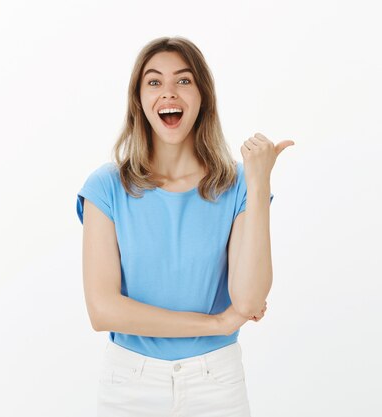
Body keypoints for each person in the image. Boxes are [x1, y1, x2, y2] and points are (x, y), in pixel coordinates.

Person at [75, 36, 294, 417]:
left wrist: (259, 186)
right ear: (138, 100)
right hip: (130, 384)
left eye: (184, 80)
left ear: (203, 96)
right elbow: (103, 311)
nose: (168, 93)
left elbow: (248, 300)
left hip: (216, 383)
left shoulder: (239, 186)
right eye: (154, 82)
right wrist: (217, 324)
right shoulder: (106, 186)